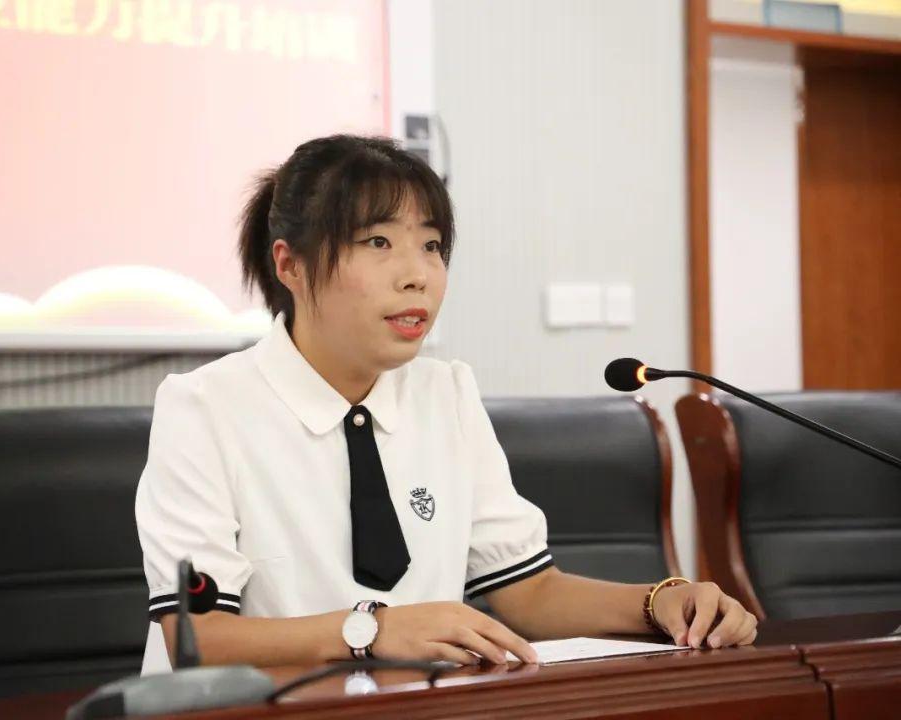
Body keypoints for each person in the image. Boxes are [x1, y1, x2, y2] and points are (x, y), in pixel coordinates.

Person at [135, 134, 757, 674]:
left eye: (431, 245)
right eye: (378, 242)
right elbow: (197, 636)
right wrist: (370, 630)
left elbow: (528, 592)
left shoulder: (447, 393)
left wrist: (662, 602)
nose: (417, 274)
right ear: (290, 265)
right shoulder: (204, 408)